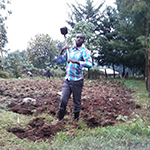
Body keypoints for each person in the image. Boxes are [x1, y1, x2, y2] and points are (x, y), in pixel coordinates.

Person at [54, 33, 92, 121]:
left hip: (77, 80)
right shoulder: (69, 51)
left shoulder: (84, 51)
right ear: (74, 39)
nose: (78, 39)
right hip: (67, 80)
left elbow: (90, 64)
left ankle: (76, 120)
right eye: (77, 37)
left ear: (83, 41)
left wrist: (76, 61)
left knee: (77, 101)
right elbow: (58, 61)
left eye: (81, 38)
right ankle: (59, 119)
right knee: (63, 99)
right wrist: (62, 50)